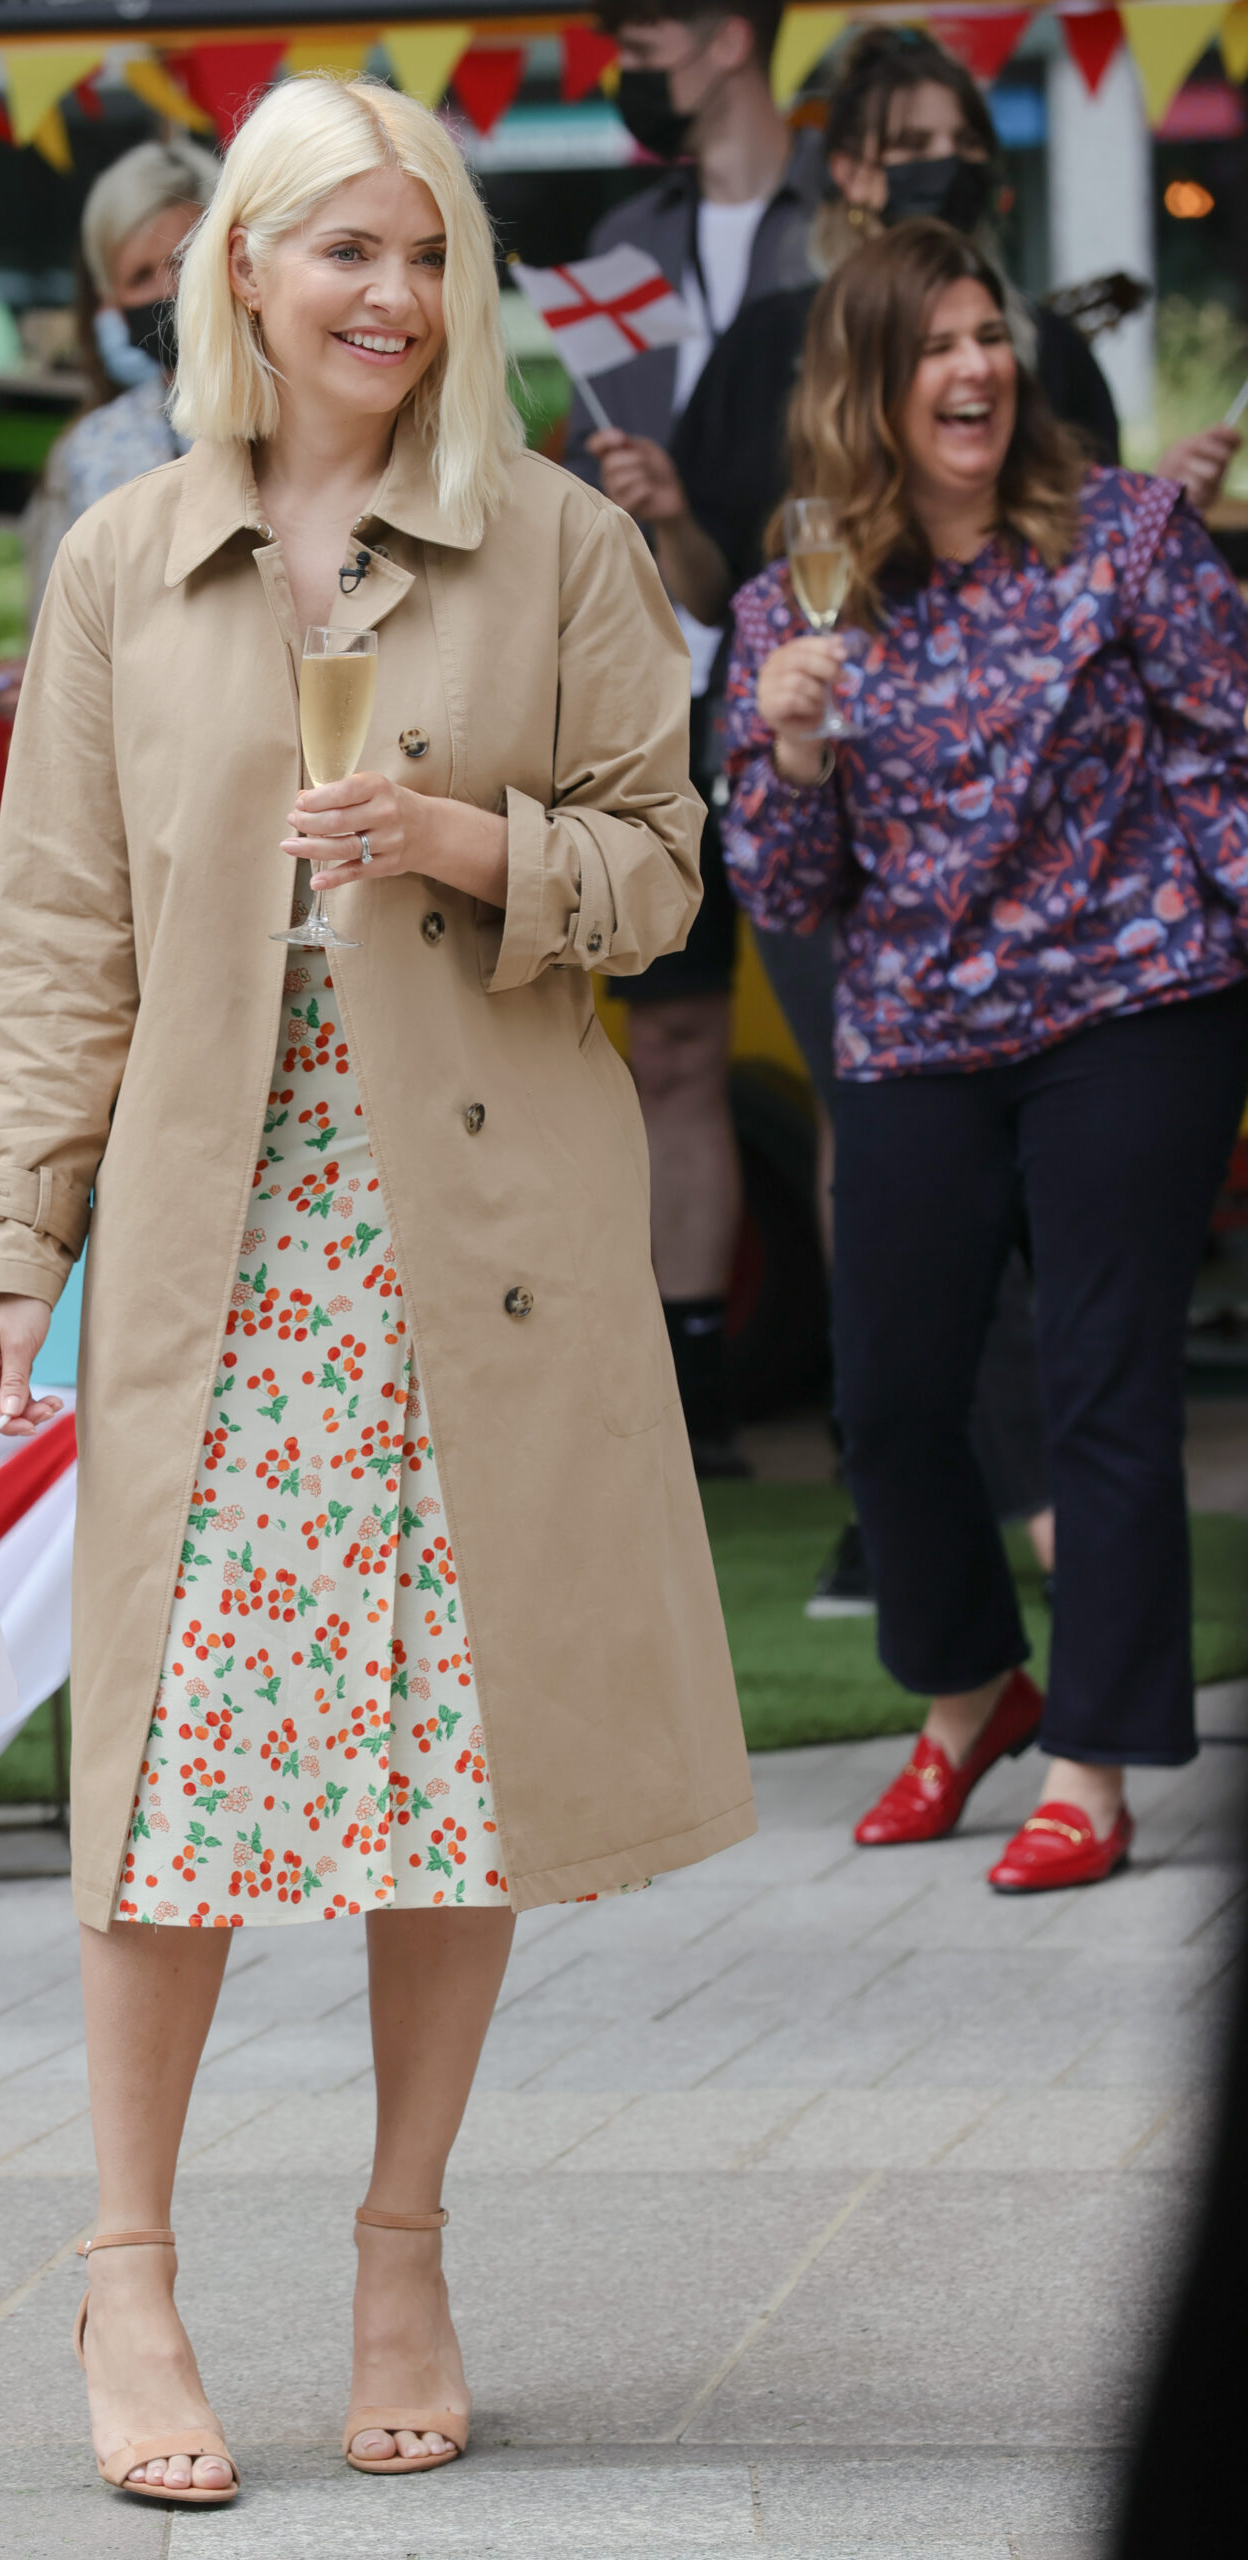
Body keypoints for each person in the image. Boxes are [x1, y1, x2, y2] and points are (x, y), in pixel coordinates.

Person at [0, 72, 752, 2504]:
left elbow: (666, 871)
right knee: (168, 1779)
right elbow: (61, 926)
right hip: (223, 1236)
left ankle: (399, 2237)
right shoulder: (117, 555)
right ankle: (128, 2269)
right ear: (240, 275)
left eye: (424, 259)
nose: (393, 300)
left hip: (474, 1244)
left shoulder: (547, 543)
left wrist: (462, 841)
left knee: (443, 1763)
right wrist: (20, 1236)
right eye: (344, 257)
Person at [627, 24, 1231, 1605]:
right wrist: (695, 558)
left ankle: (1036, 1511)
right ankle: (917, 1529)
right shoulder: (766, 345)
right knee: (889, 1193)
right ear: (843, 167)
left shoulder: (1039, 356)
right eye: (898, 142)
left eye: (954, 139)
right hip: (863, 875)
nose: (928, 165)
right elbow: (712, 604)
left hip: (1090, 921)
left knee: (1065, 1240)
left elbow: (1120, 600)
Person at [723, 219, 1248, 1892]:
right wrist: (791, 753)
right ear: (864, 393)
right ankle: (970, 1693)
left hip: (1130, 1008)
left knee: (1102, 1385)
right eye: (933, 346)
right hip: (911, 1035)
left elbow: (1230, 761)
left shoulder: (1128, 537)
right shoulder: (782, 609)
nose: (972, 369)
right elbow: (784, 889)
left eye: (984, 338)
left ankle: (1085, 1765)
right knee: (886, 1403)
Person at [567, 0, 827, 1473]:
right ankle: (697, 1403)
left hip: (814, 685)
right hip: (653, 693)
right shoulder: (622, 233)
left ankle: (891, 1405)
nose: (628, 53)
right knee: (665, 1042)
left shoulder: (834, 220)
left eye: (645, 24)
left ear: (728, 33)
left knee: (858, 1047)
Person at [23, 137, 219, 621]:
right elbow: (64, 634)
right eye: (139, 276)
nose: (169, 290)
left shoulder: (310, 412)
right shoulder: (93, 450)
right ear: (109, 300)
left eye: (182, 259)